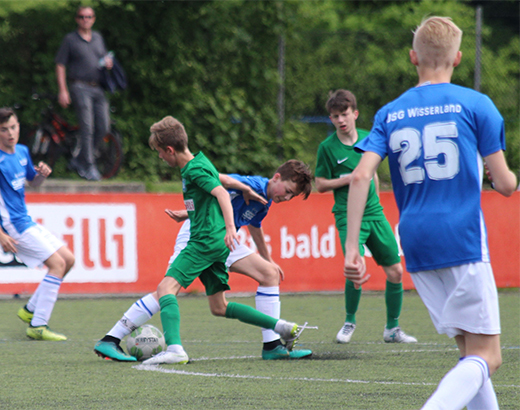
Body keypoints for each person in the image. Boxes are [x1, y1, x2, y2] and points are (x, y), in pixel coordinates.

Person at [344, 17, 517, 410]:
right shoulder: (477, 105)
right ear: (457, 58)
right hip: (462, 238)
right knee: (489, 356)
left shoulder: (390, 112)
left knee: (468, 351)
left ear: (412, 57)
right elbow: (506, 184)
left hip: (417, 243)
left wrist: (352, 248)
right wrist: (499, 179)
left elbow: (359, 176)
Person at [96, 115, 313, 365]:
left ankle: (272, 343)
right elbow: (220, 184)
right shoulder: (243, 181)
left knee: (174, 288)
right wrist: (196, 213)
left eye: (291, 196)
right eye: (287, 191)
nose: (286, 198)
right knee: (184, 296)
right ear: (276, 178)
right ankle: (114, 336)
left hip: (212, 237)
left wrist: (267, 257)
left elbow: (228, 200)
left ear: (168, 149)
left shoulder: (250, 194)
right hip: (206, 234)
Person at [315, 89, 417, 344]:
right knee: (355, 266)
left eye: (344, 114)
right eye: (335, 116)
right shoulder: (327, 148)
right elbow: (320, 184)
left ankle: (392, 329)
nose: (340, 120)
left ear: (355, 114)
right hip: (347, 216)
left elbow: (376, 175)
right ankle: (350, 321)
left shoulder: (369, 139)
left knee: (395, 270)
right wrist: (350, 179)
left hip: (375, 213)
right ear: (331, 118)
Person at [0, 107, 75, 341]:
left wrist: (42, 174)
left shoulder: (22, 151)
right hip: (13, 226)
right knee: (57, 264)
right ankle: (38, 325)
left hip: (27, 220)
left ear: (18, 126)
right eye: (4, 129)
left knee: (69, 260)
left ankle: (31, 309)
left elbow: (33, 183)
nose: (10, 133)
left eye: (13, 127)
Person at [55, 5, 113, 181]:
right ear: (76, 19)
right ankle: (88, 166)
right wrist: (63, 90)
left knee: (104, 126)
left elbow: (102, 58)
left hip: (97, 87)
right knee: (87, 127)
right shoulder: (70, 40)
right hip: (79, 87)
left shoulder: (97, 38)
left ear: (93, 19)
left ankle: (79, 159)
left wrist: (108, 63)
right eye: (81, 17)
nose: (85, 20)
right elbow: (60, 64)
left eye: (88, 17)